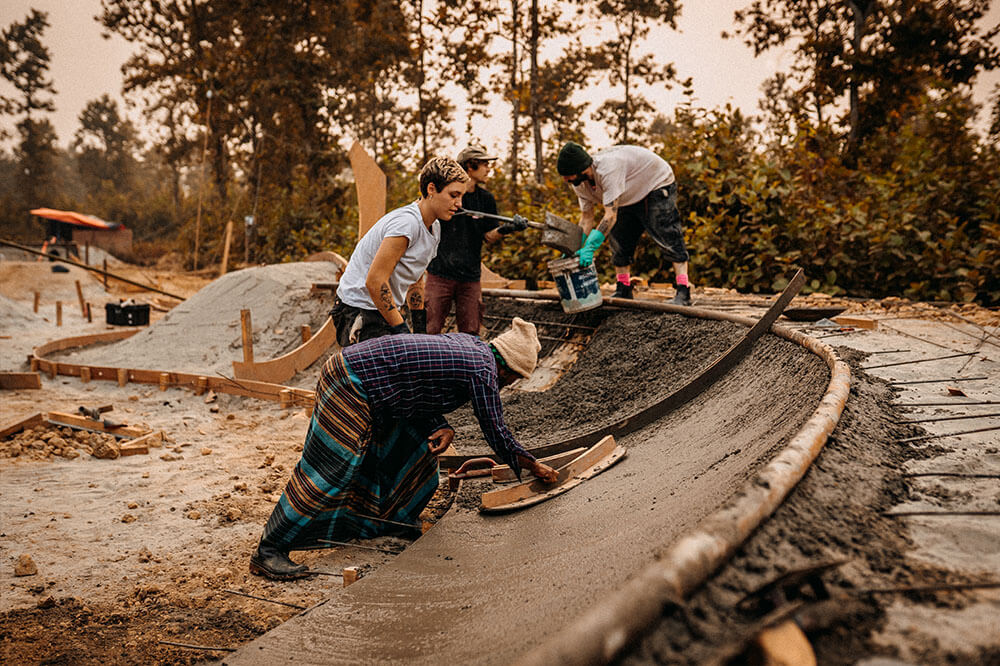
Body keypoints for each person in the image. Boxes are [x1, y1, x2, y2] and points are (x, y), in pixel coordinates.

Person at [250, 317, 559, 580]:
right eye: (513, 380)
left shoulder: (474, 347)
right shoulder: (483, 371)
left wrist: (440, 424)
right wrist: (534, 466)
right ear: (508, 370)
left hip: (377, 389)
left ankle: (389, 522)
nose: (506, 386)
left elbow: (416, 380)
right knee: (334, 467)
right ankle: (269, 549)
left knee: (412, 451)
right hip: (351, 381)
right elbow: (496, 431)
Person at [330, 156, 469, 347]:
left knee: (412, 357)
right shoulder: (406, 224)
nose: (459, 203)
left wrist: (419, 329)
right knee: (389, 368)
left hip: (380, 308)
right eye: (453, 195)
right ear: (431, 189)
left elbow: (416, 279)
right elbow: (375, 281)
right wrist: (401, 330)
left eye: (461, 196)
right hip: (357, 308)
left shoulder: (434, 228)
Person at [556, 142, 693, 306]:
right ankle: (623, 288)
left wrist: (590, 247)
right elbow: (586, 218)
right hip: (627, 192)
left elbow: (609, 216)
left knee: (666, 233)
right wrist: (575, 247)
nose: (565, 180)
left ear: (581, 169)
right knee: (618, 237)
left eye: (567, 175)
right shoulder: (579, 184)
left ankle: (683, 290)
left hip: (655, 183)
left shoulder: (608, 169)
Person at [424, 144, 528, 335]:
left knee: (471, 332)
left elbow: (489, 236)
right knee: (429, 328)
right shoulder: (444, 195)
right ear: (470, 166)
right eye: (484, 164)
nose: (489, 169)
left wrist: (508, 228)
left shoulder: (485, 199)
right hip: (440, 273)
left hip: (470, 276)